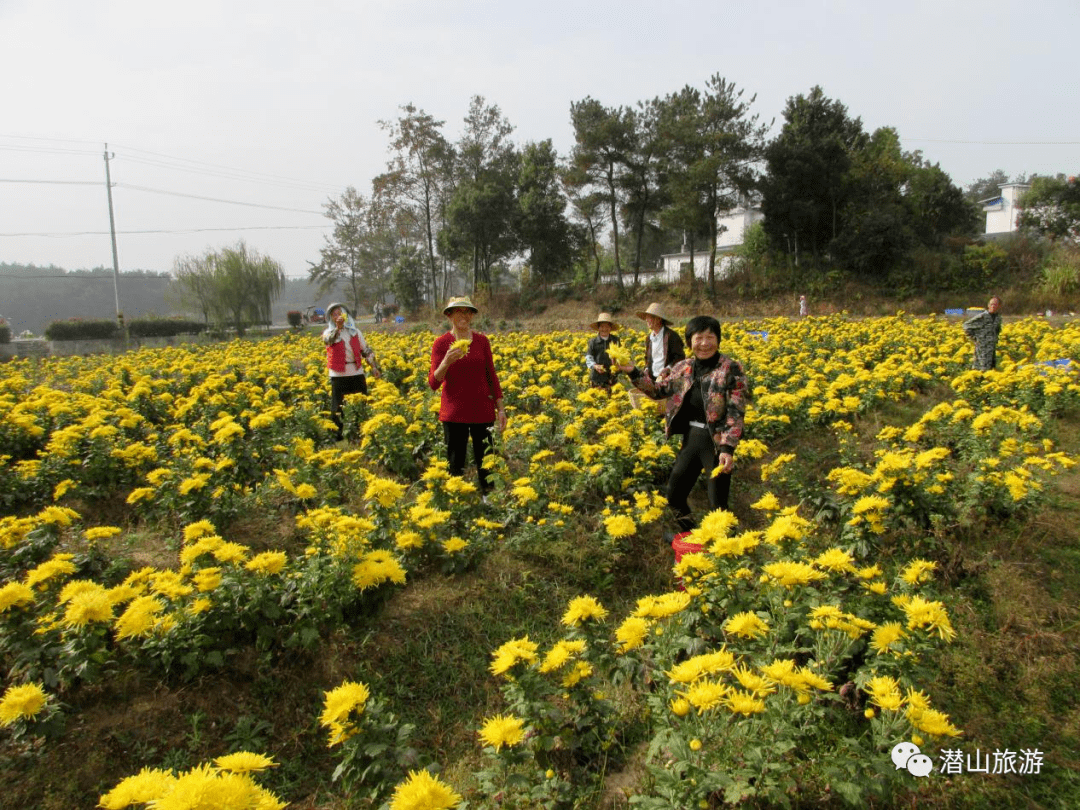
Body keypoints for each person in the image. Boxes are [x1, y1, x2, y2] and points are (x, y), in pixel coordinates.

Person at [619, 315, 750, 532]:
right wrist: (632, 371)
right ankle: (689, 539)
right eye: (699, 338)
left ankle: (728, 553)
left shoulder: (731, 368)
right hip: (691, 439)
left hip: (715, 443)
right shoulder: (683, 368)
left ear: (718, 339)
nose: (705, 343)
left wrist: (727, 448)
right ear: (690, 342)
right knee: (674, 496)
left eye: (711, 337)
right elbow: (657, 390)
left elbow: (736, 411)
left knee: (718, 507)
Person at [428, 296, 507, 493]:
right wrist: (446, 361)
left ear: (472, 315)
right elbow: (433, 383)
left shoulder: (481, 341)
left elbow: (491, 375)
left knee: (486, 458)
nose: (463, 316)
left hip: (482, 410)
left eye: (467, 311)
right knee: (455, 460)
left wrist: (501, 409)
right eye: (458, 311)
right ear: (450, 315)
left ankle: (488, 496)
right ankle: (456, 498)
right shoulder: (441, 344)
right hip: (455, 413)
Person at [323, 302, 381, 440]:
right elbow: (328, 341)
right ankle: (338, 436)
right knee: (338, 407)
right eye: (334, 314)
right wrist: (338, 328)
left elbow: (365, 350)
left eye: (340, 313)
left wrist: (373, 366)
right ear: (331, 318)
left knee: (361, 403)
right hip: (338, 375)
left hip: (356, 372)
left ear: (345, 315)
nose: (338, 316)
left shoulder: (355, 332)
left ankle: (361, 433)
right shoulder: (328, 333)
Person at [635, 302, 685, 383]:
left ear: (658, 319)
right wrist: (647, 369)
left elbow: (680, 358)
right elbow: (648, 358)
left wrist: (668, 369)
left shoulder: (671, 336)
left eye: (649, 317)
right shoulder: (649, 338)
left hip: (669, 379)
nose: (647, 320)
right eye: (646, 317)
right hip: (653, 378)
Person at [963, 296, 1003, 370]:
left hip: (992, 347)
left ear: (999, 306)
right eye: (991, 304)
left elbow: (998, 329)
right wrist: (975, 338)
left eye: (995, 304)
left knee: (992, 368)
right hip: (982, 348)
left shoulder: (998, 318)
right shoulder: (982, 316)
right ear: (988, 305)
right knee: (981, 368)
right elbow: (966, 326)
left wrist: (995, 338)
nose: (993, 306)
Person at [585, 312, 621, 391]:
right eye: (602, 326)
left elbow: (620, 355)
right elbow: (589, 358)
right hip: (597, 377)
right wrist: (595, 366)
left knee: (612, 400)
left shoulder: (616, 340)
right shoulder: (593, 342)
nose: (604, 329)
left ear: (610, 328)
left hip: (612, 377)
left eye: (607, 326)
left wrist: (618, 364)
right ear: (598, 328)